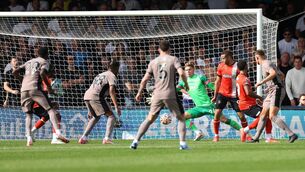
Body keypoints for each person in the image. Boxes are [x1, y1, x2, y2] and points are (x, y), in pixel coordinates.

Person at [130, 40, 189, 150]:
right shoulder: (174, 59)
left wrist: (139, 92)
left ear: (159, 49)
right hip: (170, 93)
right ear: (169, 49)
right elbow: (181, 73)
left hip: (157, 94)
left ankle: (135, 141)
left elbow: (144, 80)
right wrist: (186, 84)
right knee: (181, 118)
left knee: (149, 118)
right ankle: (182, 144)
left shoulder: (153, 62)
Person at [13, 47, 69, 146]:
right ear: (47, 54)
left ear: (37, 53)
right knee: (51, 110)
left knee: (28, 115)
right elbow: (43, 73)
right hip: (35, 88)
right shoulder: (44, 62)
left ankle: (29, 137)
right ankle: (57, 133)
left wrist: (22, 80)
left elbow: (15, 72)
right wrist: (49, 87)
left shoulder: (28, 62)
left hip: (24, 90)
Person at [177, 62, 243, 141]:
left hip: (208, 106)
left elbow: (211, 86)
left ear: (193, 70)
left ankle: (242, 130)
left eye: (190, 69)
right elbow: (175, 89)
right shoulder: (184, 82)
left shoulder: (201, 77)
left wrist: (222, 91)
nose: (188, 71)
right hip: (198, 108)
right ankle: (198, 132)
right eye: (186, 70)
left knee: (224, 120)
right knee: (182, 117)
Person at [248, 49, 298, 143]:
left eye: (256, 59)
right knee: (263, 114)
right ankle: (256, 138)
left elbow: (273, 73)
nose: (256, 61)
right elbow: (282, 75)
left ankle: (291, 134)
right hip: (272, 91)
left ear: (257, 57)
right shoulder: (270, 63)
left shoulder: (266, 64)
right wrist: (271, 86)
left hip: (277, 91)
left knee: (272, 116)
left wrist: (262, 82)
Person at [78, 60, 121, 144]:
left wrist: (89, 109)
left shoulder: (100, 74)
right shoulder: (112, 76)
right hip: (96, 97)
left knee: (95, 117)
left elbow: (94, 87)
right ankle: (107, 138)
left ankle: (83, 137)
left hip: (87, 96)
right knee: (111, 116)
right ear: (116, 68)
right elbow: (112, 91)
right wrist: (116, 106)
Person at [211, 50, 248, 142]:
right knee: (217, 114)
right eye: (221, 58)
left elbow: (242, 80)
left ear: (229, 57)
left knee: (241, 116)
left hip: (234, 95)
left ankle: (247, 134)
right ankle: (216, 136)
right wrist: (215, 95)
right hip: (222, 93)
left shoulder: (237, 67)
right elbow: (217, 81)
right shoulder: (220, 66)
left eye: (223, 58)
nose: (222, 60)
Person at [236, 60, 277, 143]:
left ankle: (269, 138)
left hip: (245, 104)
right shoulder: (244, 79)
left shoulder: (238, 77)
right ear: (246, 67)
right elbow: (248, 92)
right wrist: (259, 97)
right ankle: (245, 130)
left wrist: (255, 99)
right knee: (263, 116)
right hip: (247, 105)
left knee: (266, 116)